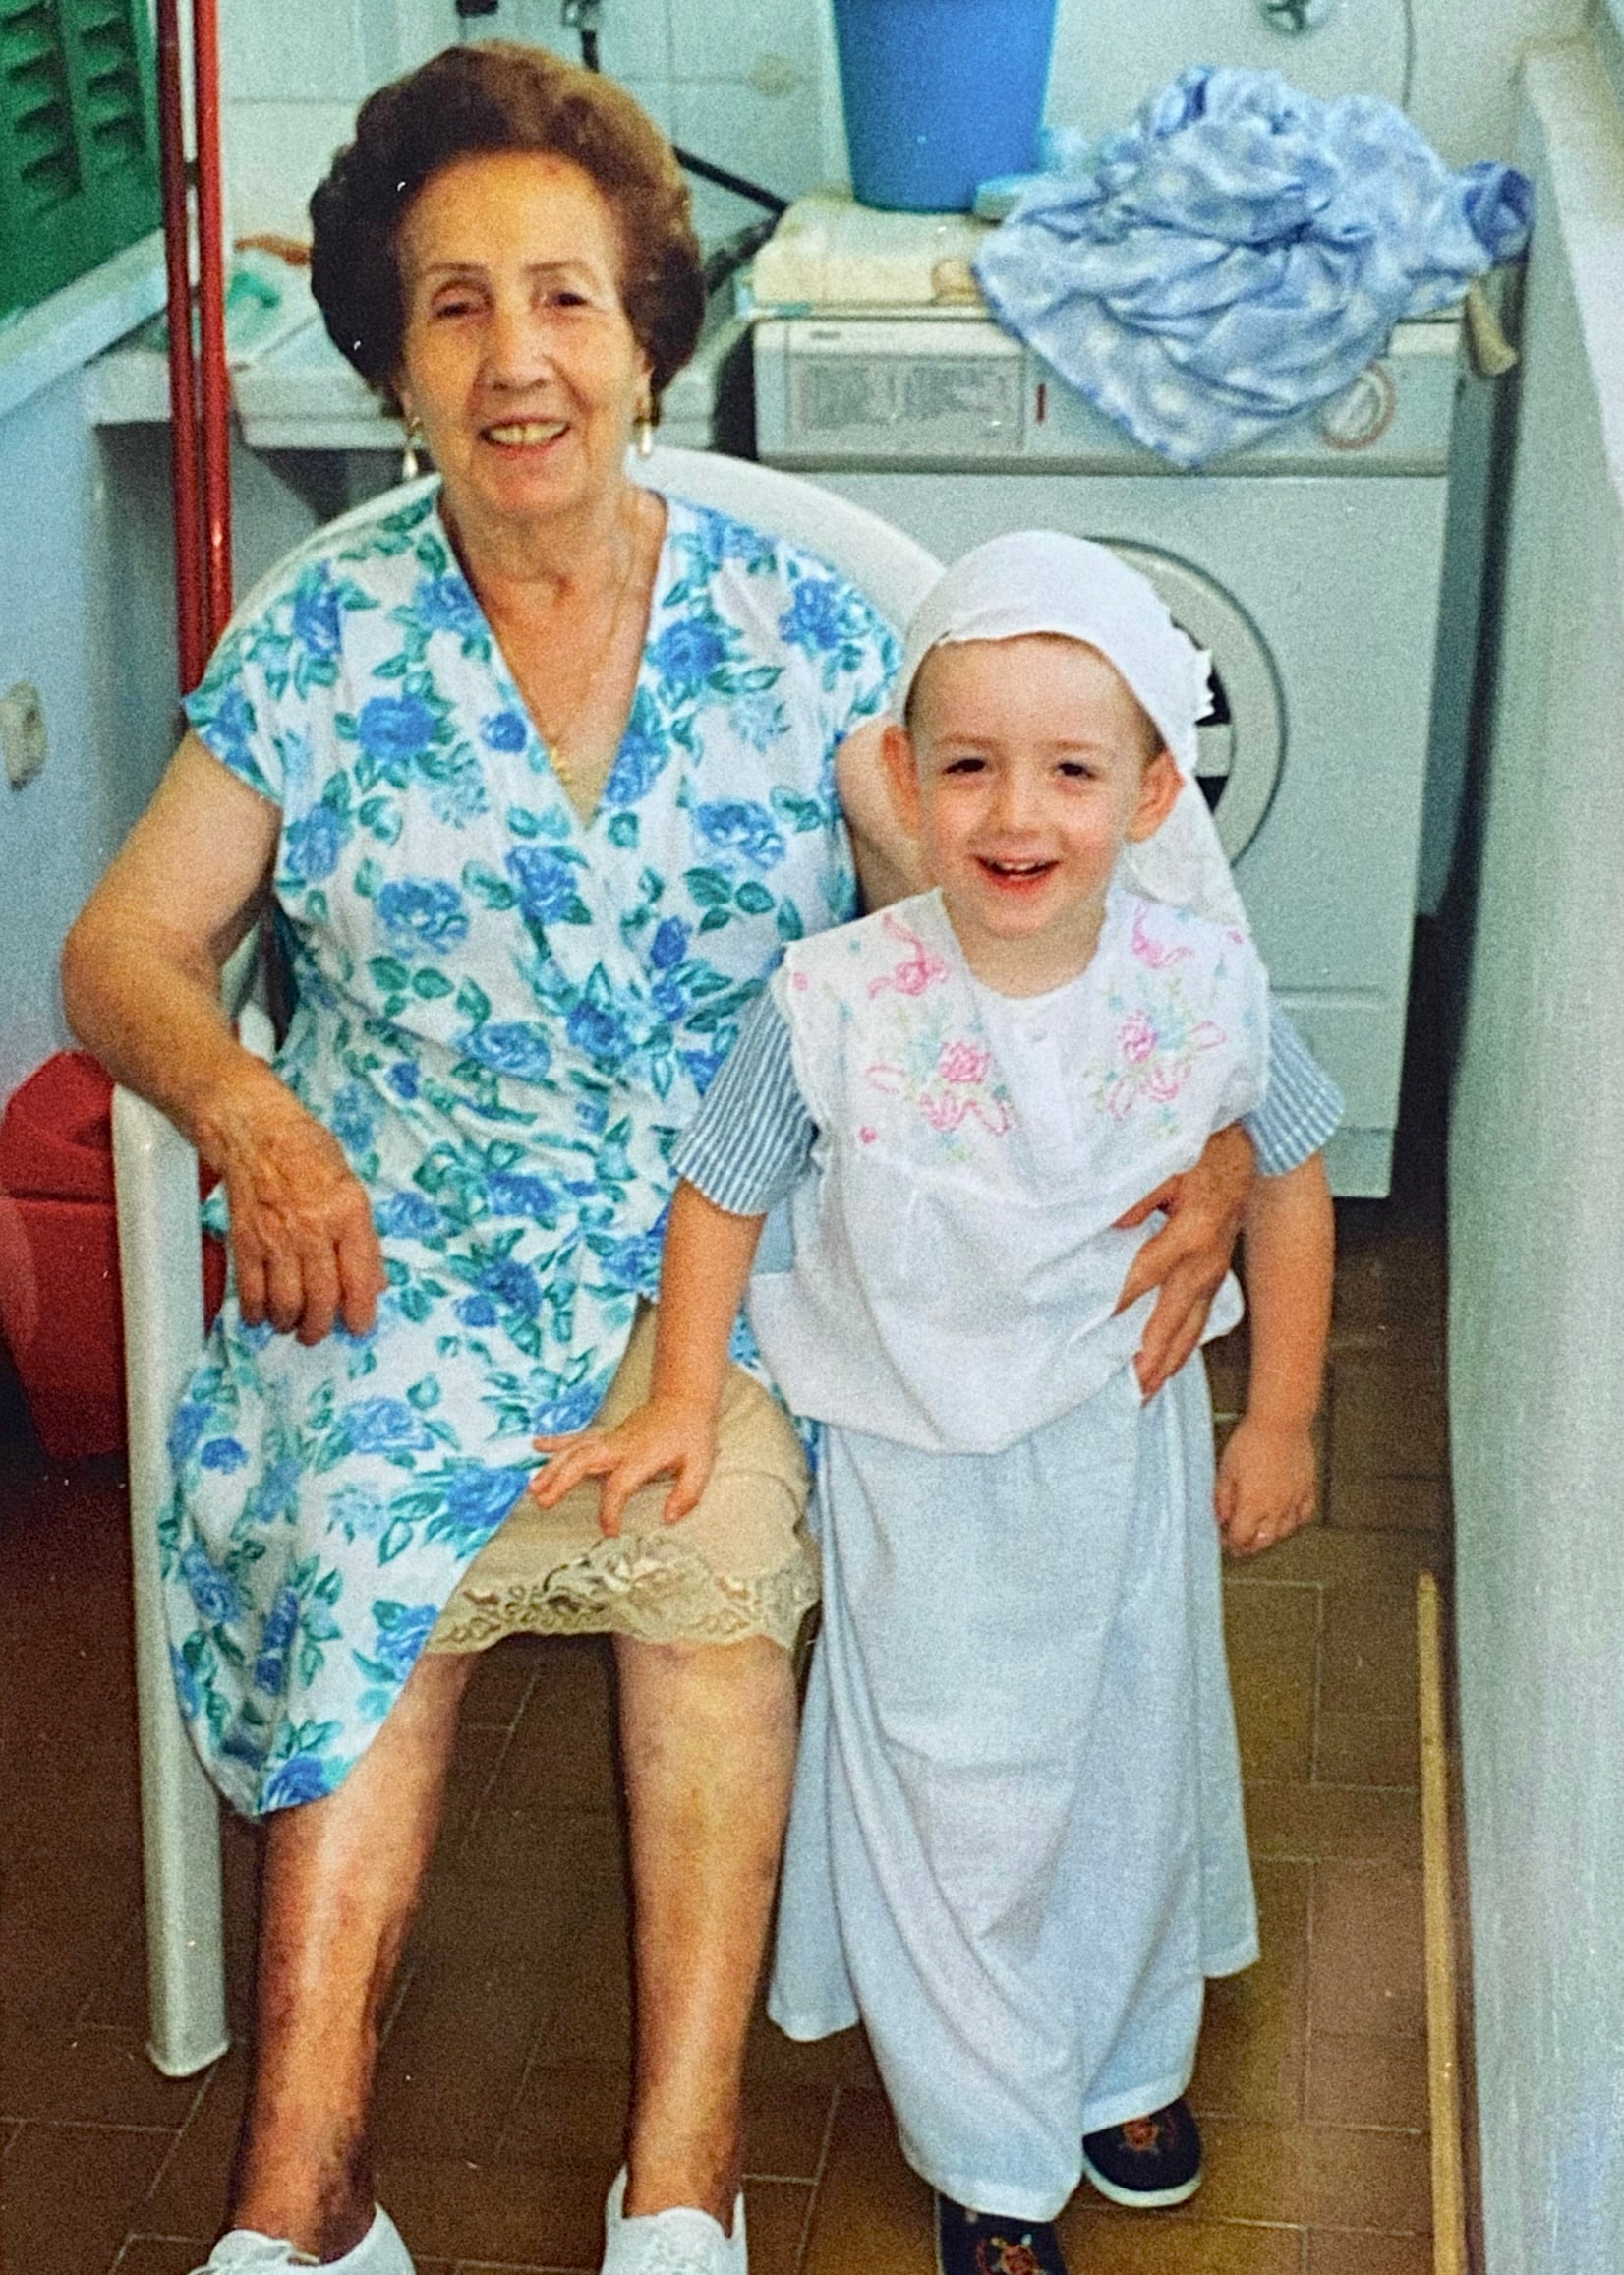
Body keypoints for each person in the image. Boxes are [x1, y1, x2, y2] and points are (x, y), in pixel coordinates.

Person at [62, 42, 1331, 2275]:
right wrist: (252, 1108)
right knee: (353, 1518)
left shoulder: (793, 632)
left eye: (562, 296)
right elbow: (124, 952)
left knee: (709, 1548)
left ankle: (676, 2182)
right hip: (402, 1229)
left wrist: (1223, 1126)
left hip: (728, 1246)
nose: (515, 356)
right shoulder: (321, 642)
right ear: (389, 353)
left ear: (649, 338)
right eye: (452, 306)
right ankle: (302, 2205)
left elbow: (1040, 892)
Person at [531, 533, 1337, 2275]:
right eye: (967, 763)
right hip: (913, 1476)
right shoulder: (842, 1000)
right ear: (902, 775)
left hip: (1116, 1457)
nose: (1015, 811)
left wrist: (1283, 1415)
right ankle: (989, 2145)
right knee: (949, 1791)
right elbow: (724, 1185)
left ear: (1149, 792)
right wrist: (682, 1395)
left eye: (1070, 767)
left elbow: (1291, 1172)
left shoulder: (1199, 985)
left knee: (1128, 1761)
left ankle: (1126, 2060)